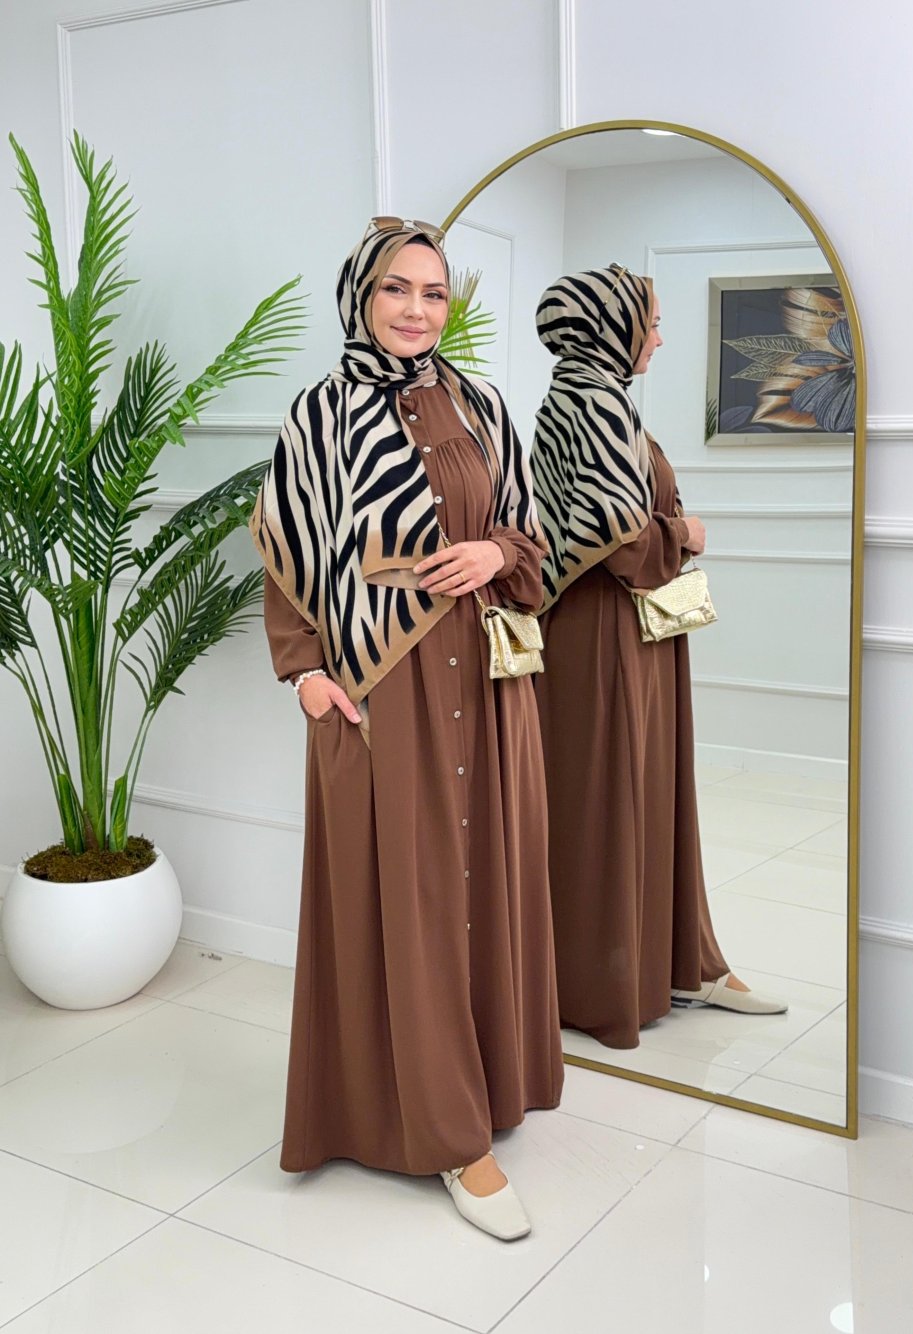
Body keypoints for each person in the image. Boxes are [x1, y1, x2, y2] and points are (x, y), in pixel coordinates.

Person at [250, 219, 563, 1240]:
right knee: (410, 891)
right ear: (361, 297)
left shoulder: (481, 404)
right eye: (397, 289)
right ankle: (447, 1134)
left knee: (482, 880)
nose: (417, 309)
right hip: (383, 685)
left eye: (433, 292)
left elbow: (531, 534)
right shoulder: (319, 413)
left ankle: (488, 1081)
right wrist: (303, 673)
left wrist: (495, 556)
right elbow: (287, 549)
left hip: (486, 673)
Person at [530, 263, 786, 1051]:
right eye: (652, 322)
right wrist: (685, 533)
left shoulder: (589, 396)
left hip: (623, 632)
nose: (660, 338)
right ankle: (608, 983)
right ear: (610, 324)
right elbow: (615, 539)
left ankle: (674, 964)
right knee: (611, 802)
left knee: (639, 795)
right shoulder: (593, 402)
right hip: (603, 634)